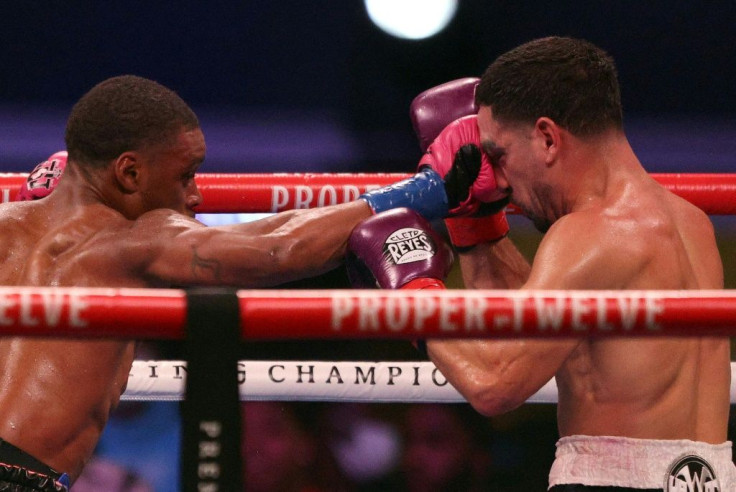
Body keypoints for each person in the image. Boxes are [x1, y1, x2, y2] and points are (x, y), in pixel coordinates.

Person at [0, 74, 489, 490]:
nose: (196, 197)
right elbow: (275, 247)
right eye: (186, 175)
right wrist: (427, 192)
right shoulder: (131, 239)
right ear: (128, 171)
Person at [409, 37, 734, 490]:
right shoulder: (694, 225)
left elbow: (496, 383)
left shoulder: (588, 234)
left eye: (499, 155)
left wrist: (412, 290)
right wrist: (474, 224)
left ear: (546, 137)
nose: (498, 178)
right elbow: (558, 341)